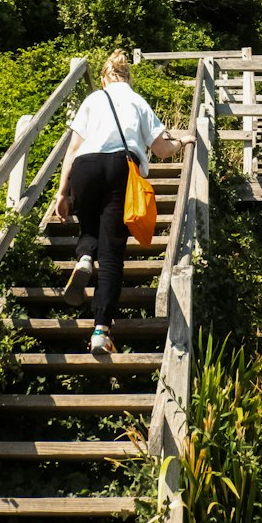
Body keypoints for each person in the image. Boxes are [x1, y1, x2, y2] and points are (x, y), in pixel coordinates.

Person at [53, 49, 195, 355]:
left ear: (104, 78)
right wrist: (182, 141)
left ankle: (84, 260)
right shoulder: (137, 101)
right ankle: (101, 332)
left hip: (85, 167)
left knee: (88, 230)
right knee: (113, 252)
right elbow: (161, 150)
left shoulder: (93, 100)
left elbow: (73, 148)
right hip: (120, 167)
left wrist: (62, 193)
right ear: (127, 77)